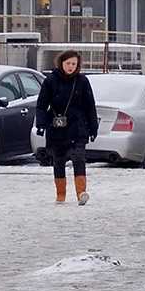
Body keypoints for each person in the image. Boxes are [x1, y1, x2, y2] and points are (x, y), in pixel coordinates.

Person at [36, 49, 98, 205]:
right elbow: (42, 104)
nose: (71, 66)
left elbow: (90, 105)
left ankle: (81, 192)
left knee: (78, 158)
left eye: (74, 64)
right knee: (58, 160)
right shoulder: (50, 81)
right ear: (61, 63)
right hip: (57, 127)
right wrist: (41, 124)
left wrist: (93, 127)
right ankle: (60, 194)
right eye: (68, 63)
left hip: (78, 127)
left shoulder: (82, 81)